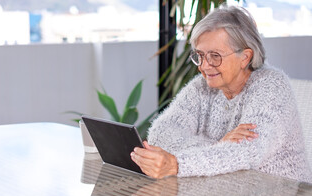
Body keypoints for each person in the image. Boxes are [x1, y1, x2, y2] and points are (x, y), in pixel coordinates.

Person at [130, 5, 312, 183]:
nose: (204, 65)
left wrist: (178, 164)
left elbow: (246, 153)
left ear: (245, 57)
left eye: (215, 56)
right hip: (225, 191)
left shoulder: (271, 86)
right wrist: (217, 146)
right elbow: (161, 134)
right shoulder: (202, 86)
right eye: (200, 55)